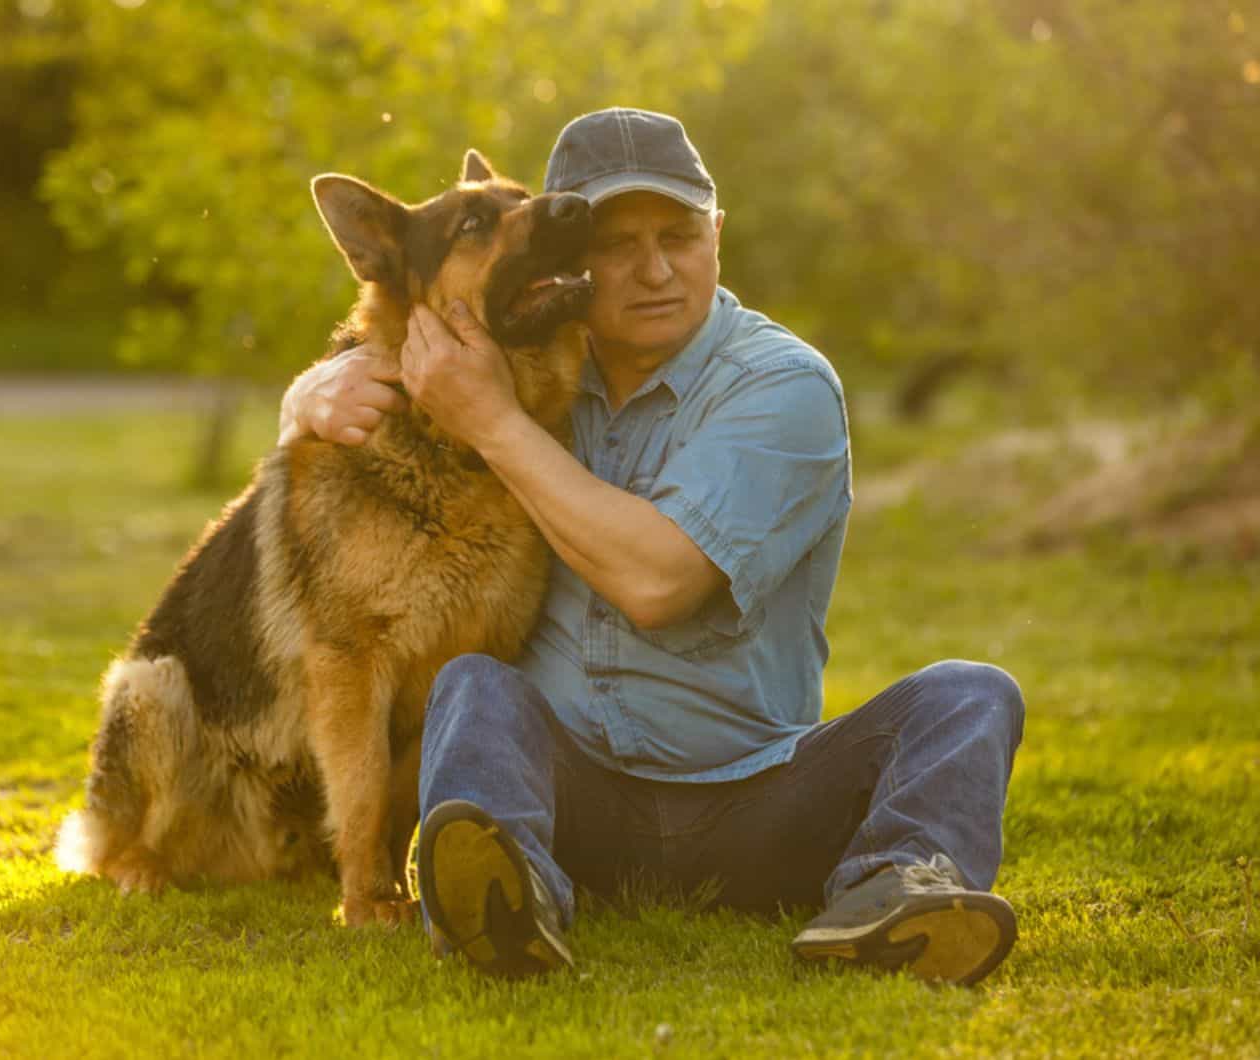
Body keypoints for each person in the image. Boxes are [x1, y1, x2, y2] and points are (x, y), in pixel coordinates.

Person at [279, 108, 1025, 986]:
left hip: (761, 805)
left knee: (969, 696)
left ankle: (895, 894)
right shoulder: (529, 362)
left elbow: (659, 581)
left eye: (678, 235)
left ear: (718, 234)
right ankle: (506, 899)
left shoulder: (782, 386)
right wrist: (310, 396)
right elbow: (384, 357)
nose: (656, 270)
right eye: (617, 243)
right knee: (474, 687)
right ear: (563, 256)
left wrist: (492, 423)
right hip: (569, 808)